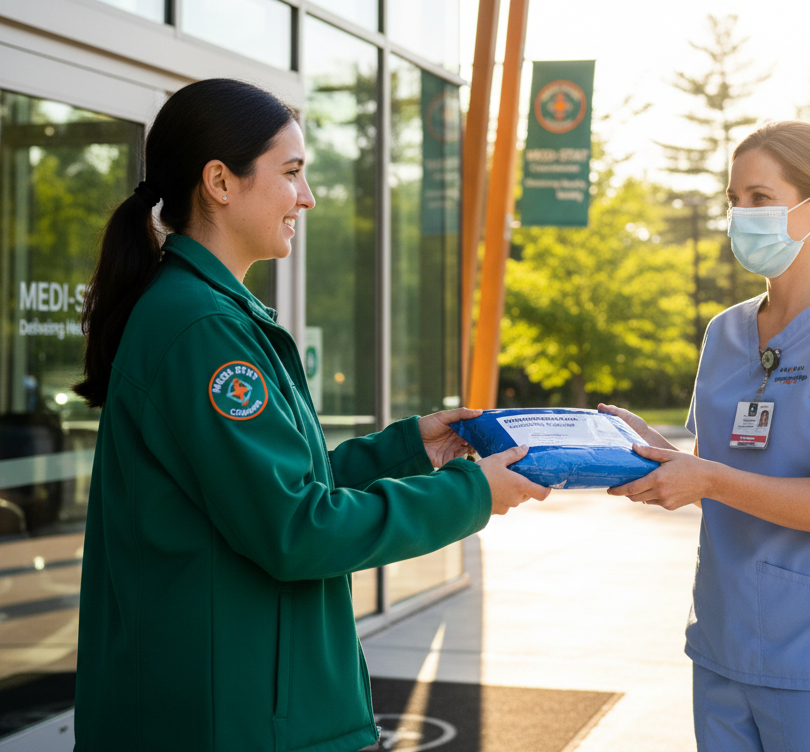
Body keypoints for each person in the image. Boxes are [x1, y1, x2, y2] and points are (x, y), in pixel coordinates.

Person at [73, 79, 549, 752]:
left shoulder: (208, 313)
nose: (307, 196)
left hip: (237, 708)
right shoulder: (202, 328)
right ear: (220, 181)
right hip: (228, 722)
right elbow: (295, 528)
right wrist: (473, 493)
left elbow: (284, 489)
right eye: (291, 172)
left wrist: (411, 448)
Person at [602, 120, 810, 752]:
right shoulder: (726, 333)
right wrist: (648, 452)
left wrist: (707, 478)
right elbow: (719, 467)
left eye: (760, 199)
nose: (741, 215)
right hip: (722, 648)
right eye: (733, 200)